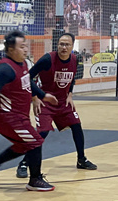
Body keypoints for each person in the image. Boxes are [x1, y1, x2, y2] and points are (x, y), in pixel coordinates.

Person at [0, 30, 58, 192]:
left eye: (26, 46)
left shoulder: (23, 63)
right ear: (11, 50)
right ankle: (35, 180)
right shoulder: (5, 69)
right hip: (8, 119)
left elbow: (28, 81)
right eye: (22, 46)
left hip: (20, 117)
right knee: (35, 141)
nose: (25, 49)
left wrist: (43, 95)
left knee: (23, 145)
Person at [15, 33, 97, 178]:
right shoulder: (48, 59)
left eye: (67, 44)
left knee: (76, 126)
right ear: (57, 45)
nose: (64, 47)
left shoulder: (74, 59)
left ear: (72, 46)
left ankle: (81, 159)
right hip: (45, 101)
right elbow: (27, 77)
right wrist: (35, 97)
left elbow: (72, 79)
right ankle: (24, 163)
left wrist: (70, 94)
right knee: (42, 133)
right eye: (61, 44)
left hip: (62, 102)